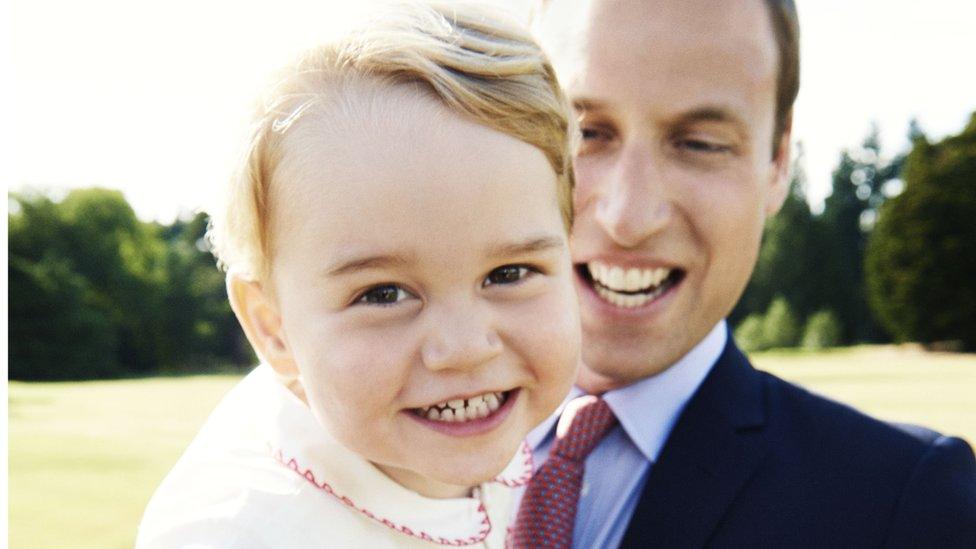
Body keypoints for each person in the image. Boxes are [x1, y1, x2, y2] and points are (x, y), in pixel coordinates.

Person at [511, 0, 976, 547]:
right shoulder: (388, 446)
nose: (628, 217)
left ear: (778, 162)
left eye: (700, 143)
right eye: (584, 132)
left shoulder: (905, 508)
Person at [135, 2, 582, 547]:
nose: (466, 348)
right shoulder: (240, 532)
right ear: (274, 329)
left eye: (509, 273)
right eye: (384, 293)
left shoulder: (519, 437)